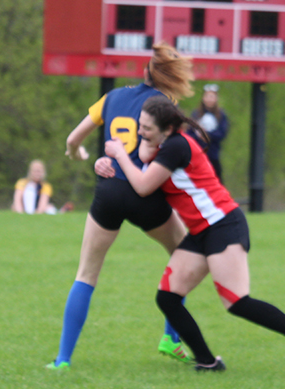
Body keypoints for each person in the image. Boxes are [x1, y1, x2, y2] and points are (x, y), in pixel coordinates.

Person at [101, 95, 285, 376]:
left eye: (147, 128)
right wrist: (109, 160)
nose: (140, 132)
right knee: (168, 297)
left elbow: (144, 186)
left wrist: (120, 154)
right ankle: (207, 362)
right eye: (140, 125)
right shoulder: (164, 143)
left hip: (223, 225)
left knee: (236, 301)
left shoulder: (176, 146)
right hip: (201, 231)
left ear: (167, 130)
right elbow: (146, 155)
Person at [47, 42, 195, 370]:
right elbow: (169, 154)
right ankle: (170, 338)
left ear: (144, 72)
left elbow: (72, 140)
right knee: (184, 255)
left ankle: (62, 360)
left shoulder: (112, 97)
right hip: (145, 192)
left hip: (110, 189)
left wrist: (80, 155)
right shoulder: (165, 105)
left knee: (86, 273)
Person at [186, 83, 229, 183]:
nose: (210, 99)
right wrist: (198, 136)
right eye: (208, 96)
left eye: (212, 96)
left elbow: (222, 133)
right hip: (198, 154)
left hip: (213, 154)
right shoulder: (196, 114)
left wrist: (207, 135)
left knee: (216, 180)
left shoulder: (221, 115)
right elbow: (189, 133)